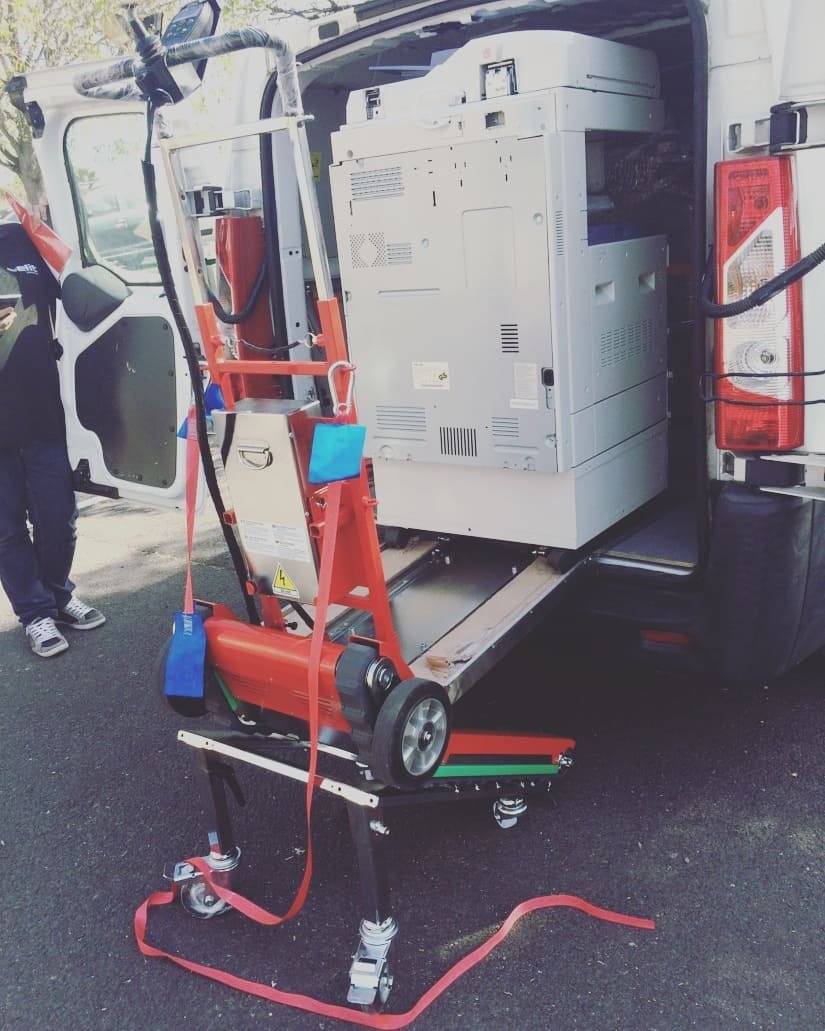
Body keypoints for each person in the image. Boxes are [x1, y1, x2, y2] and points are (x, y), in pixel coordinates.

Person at [0, 218, 104, 657]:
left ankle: (58, 595)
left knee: (59, 518)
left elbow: (86, 295)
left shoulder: (25, 238)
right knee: (5, 530)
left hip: (43, 413)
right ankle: (36, 613)